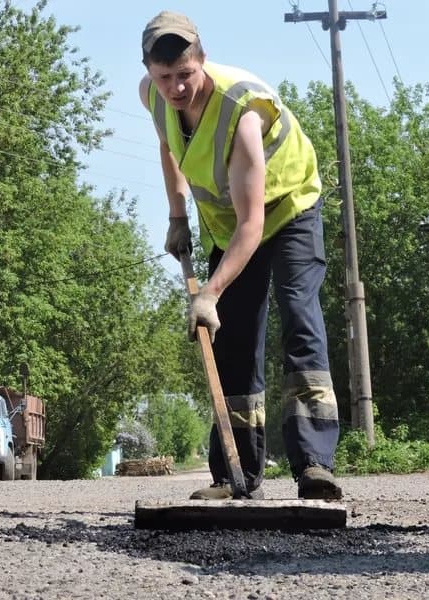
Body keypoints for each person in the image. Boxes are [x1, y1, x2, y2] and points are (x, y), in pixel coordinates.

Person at [138, 11, 342, 500]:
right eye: (165, 77)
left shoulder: (241, 111)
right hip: (228, 227)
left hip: (288, 208)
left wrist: (208, 292)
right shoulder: (152, 95)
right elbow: (169, 148)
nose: (176, 88)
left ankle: (314, 464)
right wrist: (177, 216)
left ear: (201, 61)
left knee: (299, 316)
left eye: (185, 75)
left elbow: (254, 225)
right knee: (233, 338)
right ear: (149, 70)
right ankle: (237, 475)